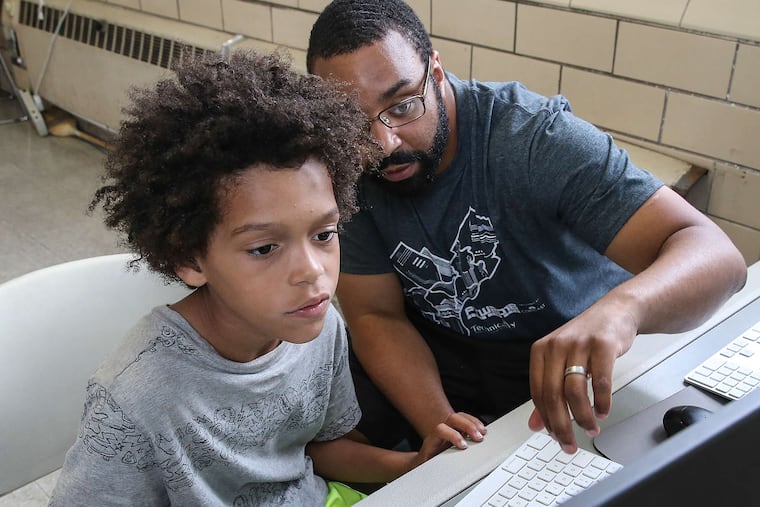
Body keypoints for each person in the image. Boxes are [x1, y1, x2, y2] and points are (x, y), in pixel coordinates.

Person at [306, 0, 748, 456]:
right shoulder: (345, 160)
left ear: (436, 72)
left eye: (403, 106)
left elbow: (719, 258)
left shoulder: (534, 140)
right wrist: (441, 429)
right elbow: (377, 316)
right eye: (353, 122)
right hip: (441, 357)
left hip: (566, 357)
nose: (383, 144)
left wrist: (622, 311)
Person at [48, 49, 469, 507]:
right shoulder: (135, 398)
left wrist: (415, 468)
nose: (312, 271)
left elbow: (315, 450)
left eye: (324, 233)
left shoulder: (318, 324)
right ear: (188, 259)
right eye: (264, 248)